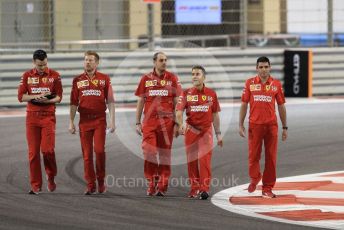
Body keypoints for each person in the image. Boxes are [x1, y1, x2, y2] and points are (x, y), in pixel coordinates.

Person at [239, 56, 288, 198]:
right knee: (253, 156)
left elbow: (281, 106)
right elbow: (244, 104)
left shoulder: (276, 84)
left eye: (266, 67)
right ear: (256, 68)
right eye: (261, 67)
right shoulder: (249, 83)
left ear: (270, 68)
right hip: (254, 125)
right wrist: (240, 124)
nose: (263, 70)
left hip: (271, 126)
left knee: (271, 158)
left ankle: (267, 188)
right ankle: (255, 178)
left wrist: (285, 127)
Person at [135, 52, 182, 196]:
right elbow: (141, 101)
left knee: (164, 155)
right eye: (161, 60)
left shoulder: (173, 78)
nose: (164, 62)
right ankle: (151, 182)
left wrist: (178, 123)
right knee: (149, 152)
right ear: (154, 62)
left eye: (166, 60)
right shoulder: (145, 79)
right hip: (149, 121)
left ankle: (162, 184)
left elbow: (177, 103)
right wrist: (137, 121)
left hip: (167, 122)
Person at [69, 51, 115, 195]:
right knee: (87, 155)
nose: (87, 62)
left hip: (100, 120)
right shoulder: (77, 80)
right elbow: (73, 103)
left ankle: (101, 181)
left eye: (90, 60)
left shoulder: (104, 79)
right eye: (85, 60)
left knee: (100, 151)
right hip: (84, 121)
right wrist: (71, 121)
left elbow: (111, 101)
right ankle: (90, 184)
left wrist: (112, 121)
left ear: (97, 63)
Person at [17, 49, 63, 194]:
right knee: (33, 153)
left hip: (48, 116)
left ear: (47, 61)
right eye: (39, 65)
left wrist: (47, 99)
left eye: (44, 64)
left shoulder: (55, 75)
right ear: (34, 63)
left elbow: (59, 97)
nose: (42, 68)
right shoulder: (26, 75)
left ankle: (51, 175)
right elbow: (21, 97)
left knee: (48, 150)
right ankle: (36, 185)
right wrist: (37, 96)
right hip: (32, 118)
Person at [175, 65, 223, 200]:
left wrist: (218, 134)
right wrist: (181, 124)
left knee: (204, 161)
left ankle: (204, 189)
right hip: (191, 131)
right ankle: (194, 188)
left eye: (197, 74)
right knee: (191, 161)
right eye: (193, 74)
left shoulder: (211, 94)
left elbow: (215, 115)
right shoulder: (186, 94)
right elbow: (178, 112)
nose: (194, 76)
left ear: (204, 77)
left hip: (206, 132)